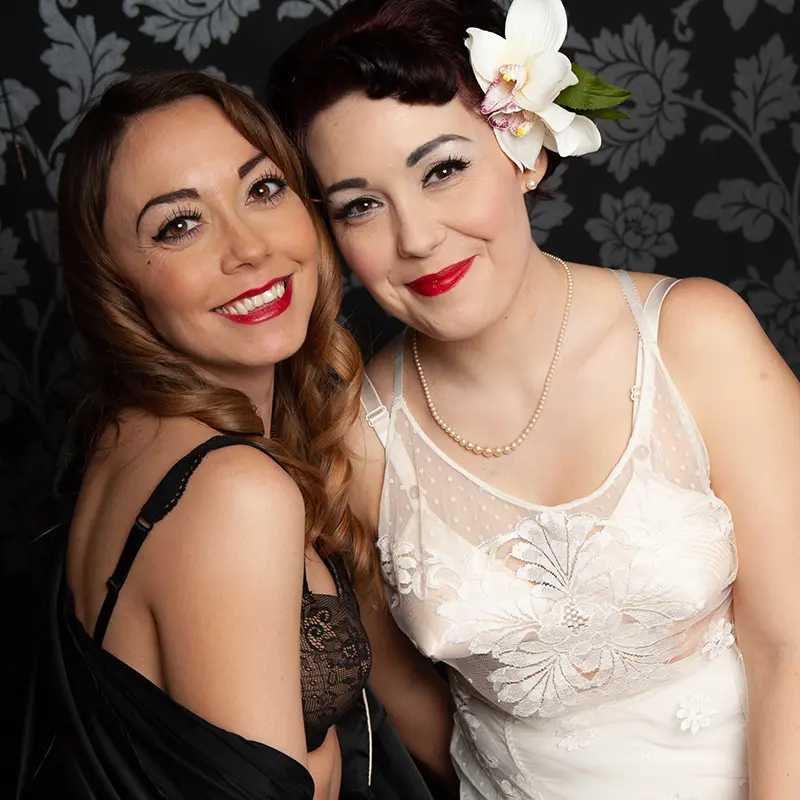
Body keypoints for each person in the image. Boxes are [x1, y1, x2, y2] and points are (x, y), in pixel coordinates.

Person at [268, 0, 800, 797]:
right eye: (361, 206)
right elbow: (405, 696)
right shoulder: (353, 443)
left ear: (524, 153)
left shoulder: (697, 337)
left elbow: (789, 642)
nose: (415, 237)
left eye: (443, 169)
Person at [16, 70, 434, 800]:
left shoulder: (125, 436)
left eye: (262, 190)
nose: (246, 248)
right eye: (179, 225)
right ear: (116, 284)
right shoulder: (233, 490)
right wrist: (324, 763)